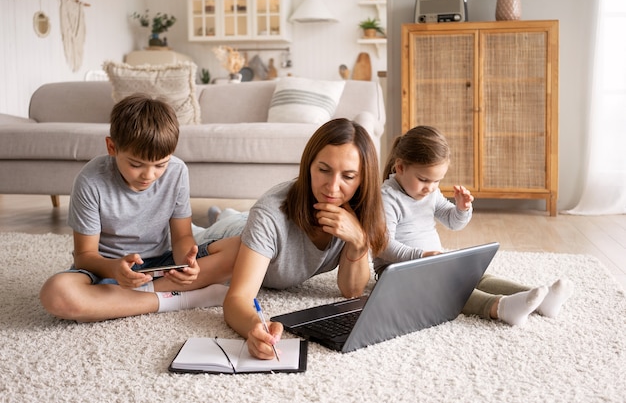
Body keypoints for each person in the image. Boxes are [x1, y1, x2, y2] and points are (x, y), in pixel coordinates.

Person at [196, 118, 387, 359]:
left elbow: (351, 290)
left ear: (362, 179)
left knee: (239, 220)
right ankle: (219, 218)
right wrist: (253, 328)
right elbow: (237, 298)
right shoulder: (269, 214)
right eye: (324, 170)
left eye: (348, 176)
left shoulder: (357, 209)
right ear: (309, 166)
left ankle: (223, 213)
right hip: (224, 237)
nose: (332, 187)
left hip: (249, 225)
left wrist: (358, 239)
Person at [39, 94, 239, 322]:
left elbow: (182, 235)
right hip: (107, 270)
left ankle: (123, 301)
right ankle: (180, 299)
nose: (149, 175)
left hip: (163, 265)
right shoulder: (91, 180)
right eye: (136, 164)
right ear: (111, 147)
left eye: (160, 164)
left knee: (244, 248)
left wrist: (188, 264)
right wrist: (115, 270)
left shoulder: (177, 171)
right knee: (56, 293)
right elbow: (85, 256)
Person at [374, 125, 574, 326]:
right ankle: (500, 307)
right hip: (396, 274)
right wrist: (421, 256)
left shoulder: (430, 193)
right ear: (400, 167)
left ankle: (539, 298)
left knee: (477, 276)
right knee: (448, 289)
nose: (430, 188)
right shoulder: (387, 198)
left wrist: (461, 209)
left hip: (429, 265)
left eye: (437, 181)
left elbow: (453, 222)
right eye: (424, 180)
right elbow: (383, 246)